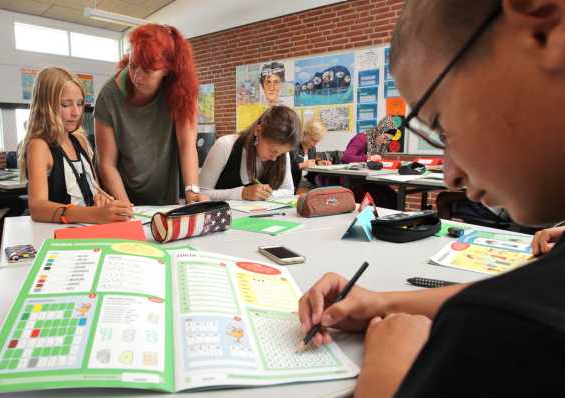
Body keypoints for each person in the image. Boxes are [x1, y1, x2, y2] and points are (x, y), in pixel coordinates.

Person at [299, 1, 565, 396]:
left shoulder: (510, 329)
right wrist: (380, 302)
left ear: (542, 27)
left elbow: (505, 309)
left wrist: (387, 374)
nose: (452, 173)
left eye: (440, 125)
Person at [95, 24, 205, 206]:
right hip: (121, 196)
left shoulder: (181, 91)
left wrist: (192, 190)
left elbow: (187, 145)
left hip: (164, 198)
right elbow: (106, 163)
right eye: (133, 66)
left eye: (147, 71)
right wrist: (126, 207)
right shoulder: (109, 96)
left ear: (167, 69)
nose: (137, 77)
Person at [20, 66, 132, 224]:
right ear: (45, 106)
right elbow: (37, 207)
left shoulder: (80, 140)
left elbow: (96, 189)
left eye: (79, 104)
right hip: (59, 237)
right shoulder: (39, 146)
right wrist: (94, 214)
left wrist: (101, 199)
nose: (76, 112)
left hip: (90, 231)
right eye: (66, 105)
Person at [199, 106, 299, 201]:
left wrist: (270, 194)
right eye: (272, 151)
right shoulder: (225, 145)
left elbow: (289, 191)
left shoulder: (281, 153)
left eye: (281, 154)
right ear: (258, 131)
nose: (274, 158)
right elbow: (200, 194)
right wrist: (241, 194)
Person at [290, 119, 330, 192]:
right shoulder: (292, 147)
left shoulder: (312, 149)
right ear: (305, 134)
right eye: (313, 140)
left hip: (306, 182)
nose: (315, 144)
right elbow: (284, 170)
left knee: (327, 191)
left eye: (317, 141)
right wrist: (301, 165)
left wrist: (317, 164)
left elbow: (309, 166)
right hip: (293, 184)